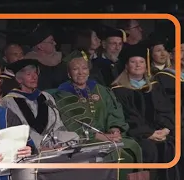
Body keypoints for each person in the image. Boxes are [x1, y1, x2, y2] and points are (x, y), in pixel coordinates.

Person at [52, 50, 143, 180]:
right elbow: (72, 123)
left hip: (109, 137)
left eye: (84, 68)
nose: (81, 72)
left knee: (133, 147)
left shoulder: (101, 89)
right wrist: (100, 137)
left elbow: (114, 111)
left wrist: (115, 129)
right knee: (117, 155)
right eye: (75, 69)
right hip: (85, 141)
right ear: (69, 73)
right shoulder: (63, 94)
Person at [111, 45, 184, 180]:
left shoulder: (153, 85)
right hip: (138, 133)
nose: (138, 65)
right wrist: (149, 133)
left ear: (146, 65)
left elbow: (165, 109)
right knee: (151, 148)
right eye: (133, 62)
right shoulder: (118, 90)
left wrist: (166, 129)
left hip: (162, 129)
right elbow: (129, 117)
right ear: (126, 66)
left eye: (141, 62)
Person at [3, 59, 79, 150]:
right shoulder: (9, 101)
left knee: (73, 136)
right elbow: (18, 130)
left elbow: (57, 125)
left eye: (35, 73)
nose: (34, 77)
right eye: (29, 74)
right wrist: (40, 146)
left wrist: (57, 143)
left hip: (50, 140)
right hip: (29, 143)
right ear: (19, 79)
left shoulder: (46, 96)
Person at [154, 36, 184, 132]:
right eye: (180, 51)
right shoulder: (161, 78)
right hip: (176, 128)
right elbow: (163, 110)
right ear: (171, 55)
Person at [24, 22, 68, 90]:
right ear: (40, 46)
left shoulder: (64, 57)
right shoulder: (29, 62)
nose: (55, 43)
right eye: (51, 41)